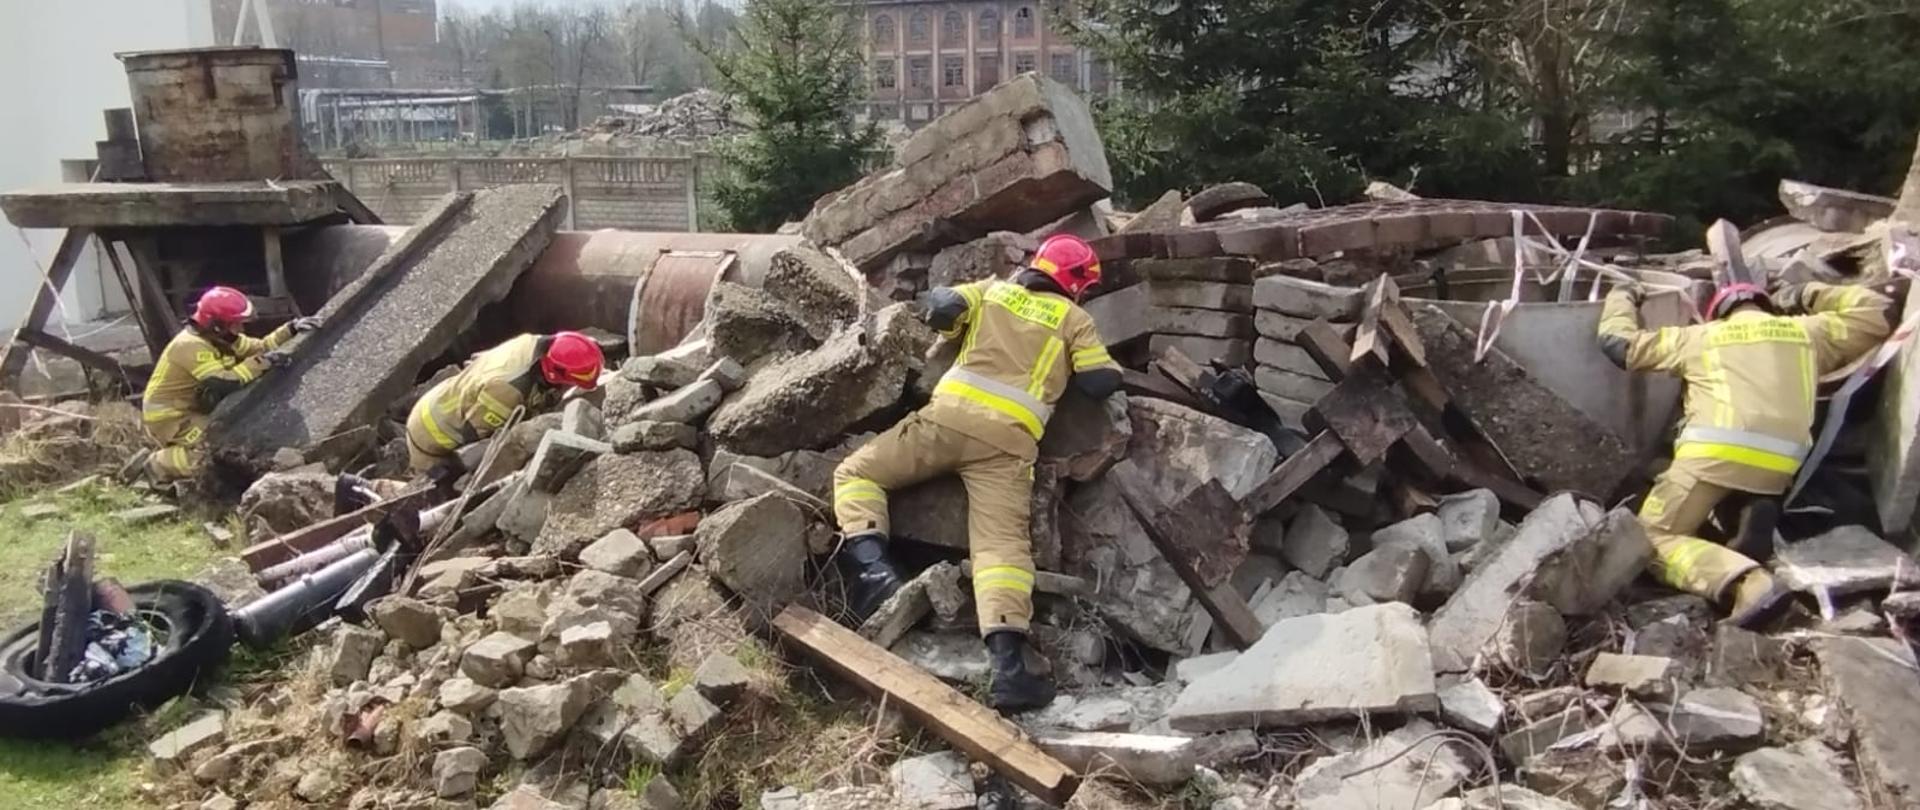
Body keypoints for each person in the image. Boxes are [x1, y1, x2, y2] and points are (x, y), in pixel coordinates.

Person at [830, 234, 1123, 712]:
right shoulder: (1074, 319)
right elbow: (1099, 382)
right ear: (1077, 285)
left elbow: (941, 306)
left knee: (856, 474)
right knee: (1001, 550)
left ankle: (874, 574)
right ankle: (1010, 670)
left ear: (1038, 264)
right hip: (1006, 445)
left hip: (946, 422)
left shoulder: (992, 290)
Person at [1597, 275, 1892, 625]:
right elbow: (1876, 313)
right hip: (1783, 464)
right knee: (1731, 480)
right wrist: (1804, 292)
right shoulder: (1808, 334)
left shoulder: (1700, 337)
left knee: (1650, 537)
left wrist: (1623, 295)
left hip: (1714, 454)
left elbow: (1619, 345)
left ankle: (1746, 583)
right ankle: (1749, 511)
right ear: (1769, 307)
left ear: (1718, 314)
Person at [141, 286, 317, 482]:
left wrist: (290, 329)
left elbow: (260, 347)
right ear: (218, 325)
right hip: (170, 417)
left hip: (192, 408)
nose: (241, 329)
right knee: (211, 456)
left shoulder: (221, 338)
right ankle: (159, 462)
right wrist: (262, 363)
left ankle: (180, 449)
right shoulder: (190, 345)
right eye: (236, 324)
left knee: (230, 440)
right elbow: (222, 381)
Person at [405, 331, 604, 485]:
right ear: (553, 373)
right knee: (440, 486)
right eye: (571, 383)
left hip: (444, 398)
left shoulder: (534, 344)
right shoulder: (507, 392)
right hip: (431, 433)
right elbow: (481, 439)